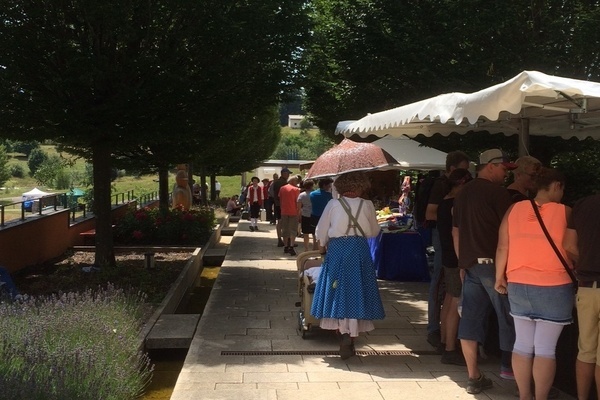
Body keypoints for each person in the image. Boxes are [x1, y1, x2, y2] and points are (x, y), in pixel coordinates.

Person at [495, 167, 573, 400]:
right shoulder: (566, 212)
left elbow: (502, 246)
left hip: (518, 282)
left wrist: (500, 276)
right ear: (557, 185)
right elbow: (572, 246)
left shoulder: (514, 209)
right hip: (555, 284)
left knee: (522, 344)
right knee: (546, 349)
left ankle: (524, 396)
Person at [452, 148, 517, 394]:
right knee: (509, 318)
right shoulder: (498, 194)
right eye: (503, 168)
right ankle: (512, 373)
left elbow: (455, 231)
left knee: (470, 320)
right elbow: (509, 235)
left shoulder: (462, 192)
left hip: (470, 266)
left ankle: (473, 376)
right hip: (494, 266)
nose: (505, 174)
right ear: (490, 166)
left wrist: (462, 262)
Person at [310, 171, 385, 360]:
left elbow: (321, 230)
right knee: (357, 288)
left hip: (337, 249)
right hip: (359, 248)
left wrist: (322, 248)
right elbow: (374, 231)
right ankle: (351, 334)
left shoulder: (333, 204)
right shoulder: (367, 205)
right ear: (361, 186)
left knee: (337, 288)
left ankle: (343, 331)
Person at [425, 151, 470, 352]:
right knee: (449, 294)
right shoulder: (447, 196)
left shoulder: (446, 199)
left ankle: (443, 337)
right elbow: (432, 215)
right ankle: (444, 340)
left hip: (448, 248)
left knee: (449, 295)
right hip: (451, 252)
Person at [563, 193, 600, 400]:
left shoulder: (582, 203)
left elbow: (568, 245)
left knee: (586, 351)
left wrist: (584, 260)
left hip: (586, 287)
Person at [436, 168, 472, 366]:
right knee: (455, 300)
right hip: (456, 257)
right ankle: (450, 348)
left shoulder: (444, 202)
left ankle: (444, 341)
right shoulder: (455, 204)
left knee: (450, 298)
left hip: (448, 255)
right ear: (461, 184)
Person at [278, 175, 300, 256]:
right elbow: (297, 202)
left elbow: (280, 199)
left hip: (284, 211)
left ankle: (285, 246)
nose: (297, 183)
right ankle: (291, 246)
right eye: (296, 181)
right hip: (293, 212)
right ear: (293, 181)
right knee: (293, 230)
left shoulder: (282, 188)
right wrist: (299, 212)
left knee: (285, 229)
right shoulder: (296, 189)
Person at [309, 177, 333, 248]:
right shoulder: (328, 195)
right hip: (325, 217)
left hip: (314, 216)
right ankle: (324, 249)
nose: (329, 187)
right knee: (326, 234)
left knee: (314, 235)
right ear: (324, 185)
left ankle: (315, 249)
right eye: (329, 185)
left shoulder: (312, 194)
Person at [297, 179, 317, 252]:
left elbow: (299, 207)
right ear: (312, 186)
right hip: (314, 215)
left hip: (305, 215)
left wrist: (299, 216)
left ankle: (306, 248)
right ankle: (315, 247)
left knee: (305, 233)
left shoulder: (301, 195)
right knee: (314, 233)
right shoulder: (315, 194)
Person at [273, 168, 291, 247]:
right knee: (283, 222)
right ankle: (285, 240)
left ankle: (281, 239)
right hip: (282, 205)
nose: (288, 175)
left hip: (278, 204)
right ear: (284, 173)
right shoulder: (282, 183)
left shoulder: (277, 182)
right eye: (288, 173)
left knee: (279, 222)